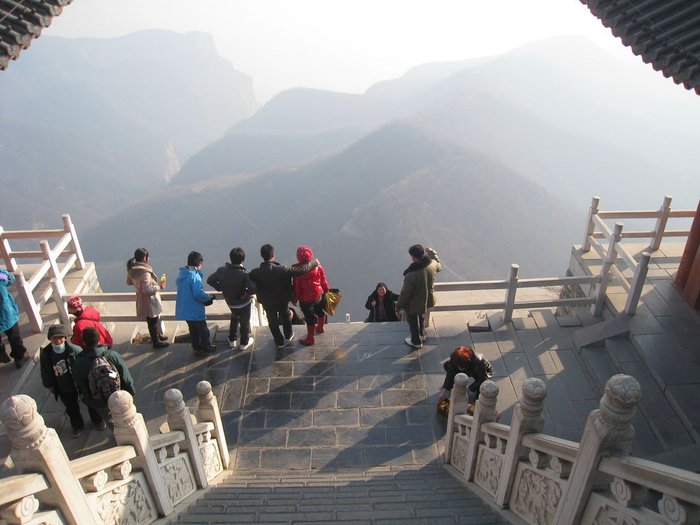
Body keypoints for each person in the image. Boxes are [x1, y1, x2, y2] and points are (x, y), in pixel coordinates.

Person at [40, 325, 106, 437]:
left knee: (91, 403)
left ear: (65, 338)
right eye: (55, 338)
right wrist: (49, 385)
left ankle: (97, 420)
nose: (58, 340)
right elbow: (45, 370)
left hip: (80, 384)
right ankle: (77, 426)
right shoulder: (46, 353)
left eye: (61, 337)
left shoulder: (75, 349)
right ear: (50, 338)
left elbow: (84, 365)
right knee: (71, 408)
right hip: (63, 386)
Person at [249, 244, 318, 348]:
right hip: (282, 299)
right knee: (286, 316)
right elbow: (301, 270)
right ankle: (288, 335)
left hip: (267, 302)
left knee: (272, 320)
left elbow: (245, 279)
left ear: (262, 256)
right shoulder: (282, 269)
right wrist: (314, 263)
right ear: (273, 255)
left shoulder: (256, 273)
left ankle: (279, 342)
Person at [72, 327, 135, 428]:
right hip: (120, 395)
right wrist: (131, 393)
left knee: (113, 424)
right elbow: (126, 376)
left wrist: (90, 401)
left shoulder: (79, 363)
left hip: (99, 401)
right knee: (129, 420)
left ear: (83, 341)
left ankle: (118, 438)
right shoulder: (112, 355)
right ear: (99, 338)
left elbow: (81, 386)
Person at [207, 247, 257, 351]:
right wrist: (246, 294)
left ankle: (232, 340)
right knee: (244, 322)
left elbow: (210, 280)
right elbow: (253, 288)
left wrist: (221, 288)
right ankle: (244, 343)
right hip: (243, 304)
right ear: (243, 260)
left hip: (230, 302)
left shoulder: (222, 271)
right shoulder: (244, 274)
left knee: (234, 317)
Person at [396, 244, 441, 348]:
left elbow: (405, 294)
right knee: (421, 316)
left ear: (413, 256)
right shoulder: (431, 265)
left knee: (412, 318)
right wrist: (432, 253)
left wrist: (398, 306)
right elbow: (438, 265)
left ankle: (416, 341)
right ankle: (422, 334)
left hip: (415, 303)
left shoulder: (411, 275)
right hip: (428, 300)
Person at [126, 248, 169, 349]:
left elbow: (128, 282)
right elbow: (147, 291)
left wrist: (138, 285)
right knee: (152, 321)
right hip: (149, 301)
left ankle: (159, 336)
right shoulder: (144, 272)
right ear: (145, 258)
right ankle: (156, 342)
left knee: (153, 318)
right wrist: (159, 287)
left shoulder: (132, 269)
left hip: (141, 299)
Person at [176, 251, 215, 356]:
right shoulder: (194, 276)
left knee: (193, 331)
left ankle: (197, 348)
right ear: (199, 263)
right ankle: (206, 348)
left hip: (185, 310)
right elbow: (198, 293)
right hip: (194, 310)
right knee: (203, 331)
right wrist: (208, 299)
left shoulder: (182, 274)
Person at [292, 245, 329, 346]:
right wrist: (326, 290)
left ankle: (310, 338)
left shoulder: (298, 271)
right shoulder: (317, 266)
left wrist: (295, 298)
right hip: (318, 295)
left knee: (309, 317)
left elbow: (297, 288)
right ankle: (320, 327)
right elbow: (323, 280)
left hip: (305, 299)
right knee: (319, 310)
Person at [0, 269, 28, 368]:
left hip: (5, 313)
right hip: (5, 314)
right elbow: (9, 279)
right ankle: (20, 357)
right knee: (14, 336)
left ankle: (2, 355)